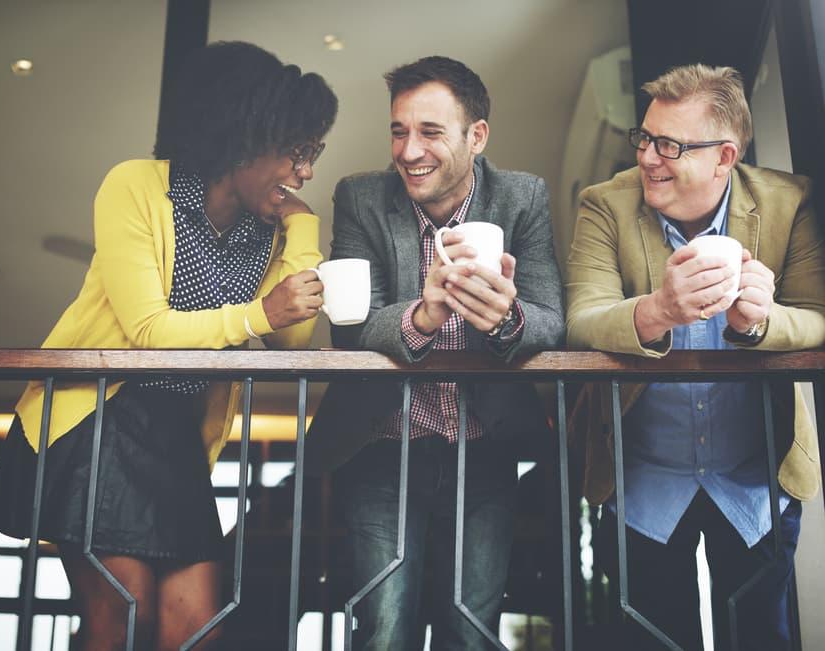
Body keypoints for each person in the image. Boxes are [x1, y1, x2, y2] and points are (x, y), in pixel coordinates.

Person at [0, 41, 337, 651]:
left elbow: (292, 333)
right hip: (99, 420)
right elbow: (147, 329)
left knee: (196, 628)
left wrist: (304, 228)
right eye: (298, 151)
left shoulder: (268, 226)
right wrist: (257, 313)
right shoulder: (138, 186)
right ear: (245, 136)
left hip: (177, 436)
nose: (306, 171)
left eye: (313, 153)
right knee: (123, 619)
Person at [306, 56, 564, 649]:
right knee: (384, 627)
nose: (408, 150)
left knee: (471, 632)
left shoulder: (522, 197)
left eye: (429, 132)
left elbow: (553, 321)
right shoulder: (362, 197)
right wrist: (423, 316)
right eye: (399, 130)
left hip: (486, 448)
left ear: (477, 136)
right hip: (381, 446)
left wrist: (506, 317)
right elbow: (352, 328)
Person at [566, 63, 825, 650]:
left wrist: (759, 321)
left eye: (670, 145)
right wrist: (657, 310)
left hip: (755, 483)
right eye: (646, 138)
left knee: (765, 639)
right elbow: (581, 317)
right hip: (642, 482)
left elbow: (816, 314)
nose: (649, 158)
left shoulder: (789, 202)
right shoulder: (604, 205)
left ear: (725, 156)